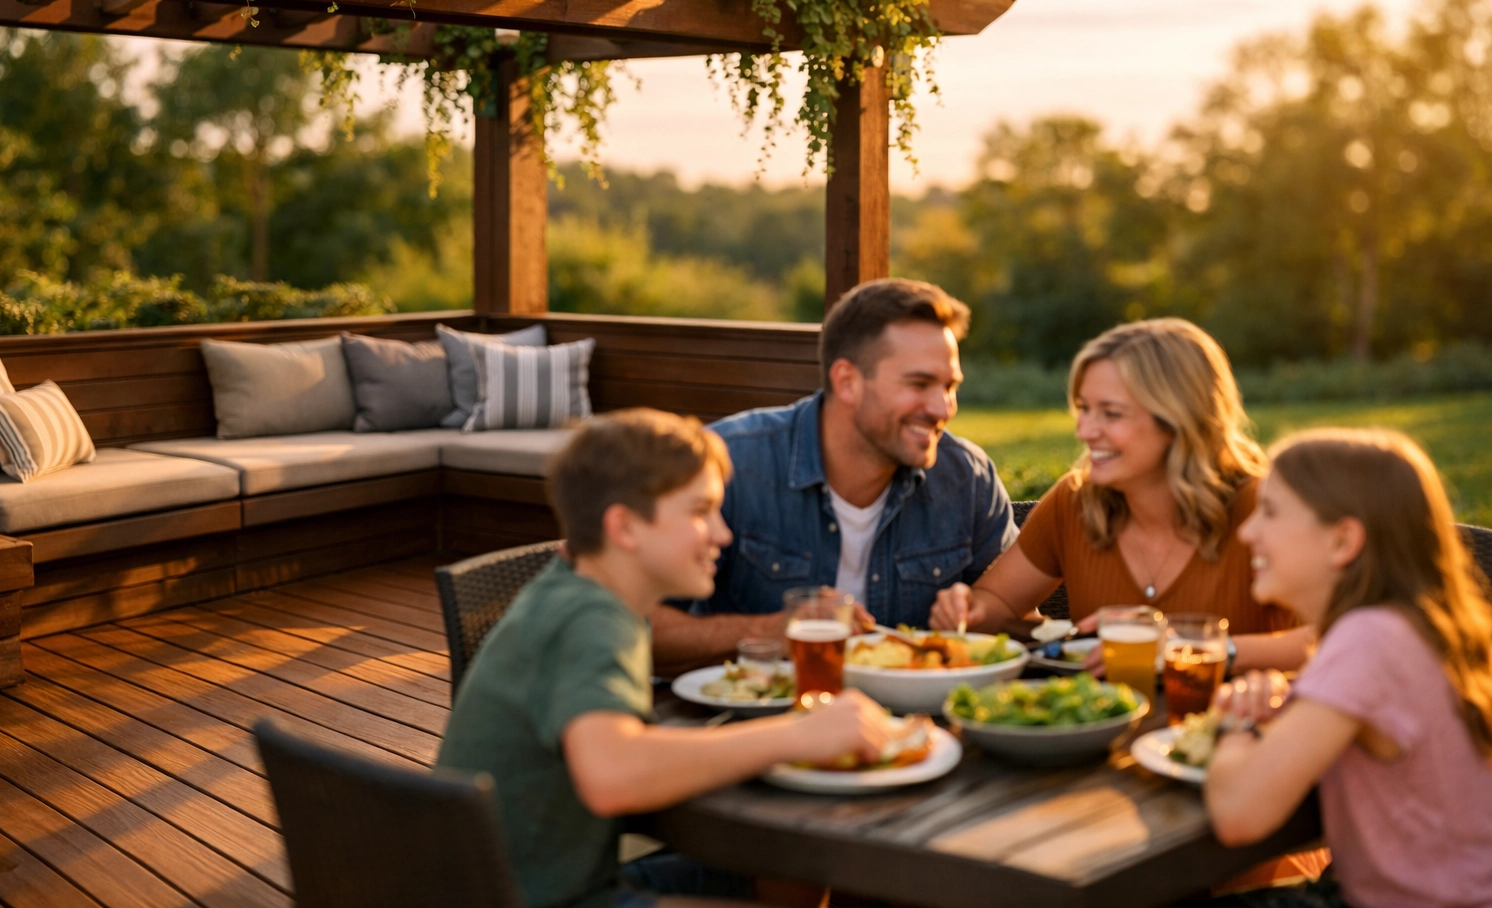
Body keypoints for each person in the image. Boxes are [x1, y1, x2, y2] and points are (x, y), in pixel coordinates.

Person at [435, 408, 902, 908]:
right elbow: (612, 775)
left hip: (559, 880)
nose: (722, 534)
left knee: (794, 872)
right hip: (536, 898)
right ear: (626, 528)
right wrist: (799, 735)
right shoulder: (591, 619)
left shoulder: (583, 592)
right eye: (701, 512)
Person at [651, 279, 1016, 675]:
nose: (942, 407)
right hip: (752, 724)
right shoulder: (730, 464)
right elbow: (635, 625)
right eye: (919, 384)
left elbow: (1018, 621)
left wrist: (975, 610)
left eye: (950, 386)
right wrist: (774, 631)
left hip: (920, 729)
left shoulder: (968, 478)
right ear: (847, 382)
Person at [1197, 429, 1492, 908]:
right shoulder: (1418, 625)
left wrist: (1235, 724)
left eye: (1270, 513)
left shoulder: (1370, 639)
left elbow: (1238, 814)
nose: (1247, 532)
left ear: (1343, 541)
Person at [931, 318, 1309, 672]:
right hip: (1101, 734)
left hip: (1244, 734)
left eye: (1110, 414)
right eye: (1084, 409)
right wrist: (967, 611)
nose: (1085, 431)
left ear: (1177, 421)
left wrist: (1188, 649)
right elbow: (997, 603)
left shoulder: (1266, 506)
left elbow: (1339, 641)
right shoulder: (1075, 502)